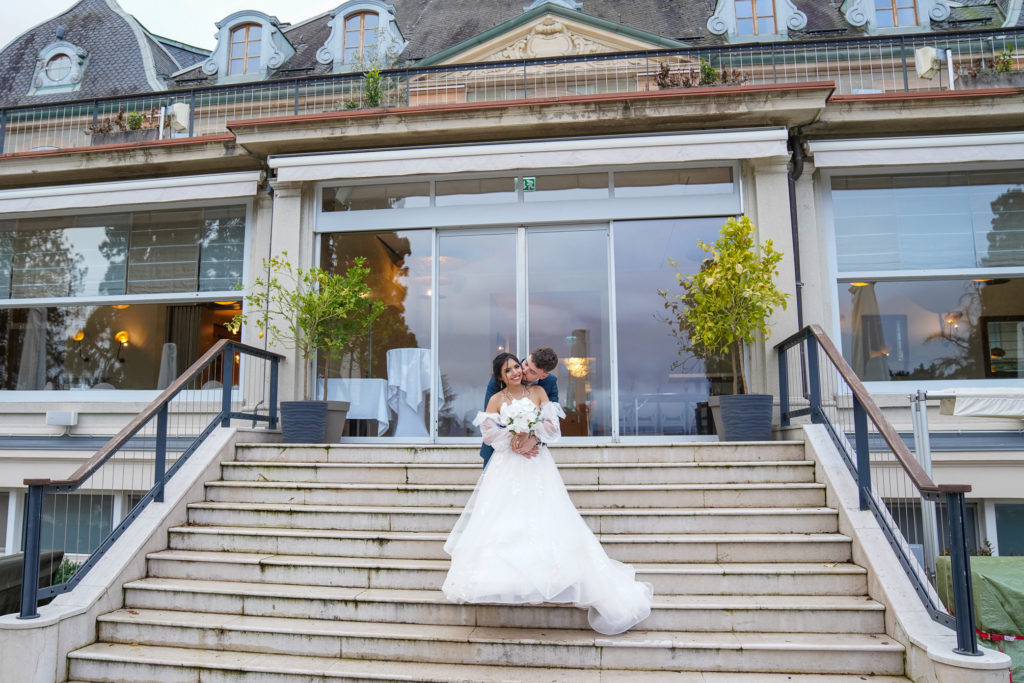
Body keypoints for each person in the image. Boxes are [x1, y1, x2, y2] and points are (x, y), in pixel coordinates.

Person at [442, 352, 653, 635]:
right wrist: (514, 441)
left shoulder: (540, 390)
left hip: (536, 461)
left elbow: (553, 427)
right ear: (500, 376)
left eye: (518, 366)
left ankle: (552, 579)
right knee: (505, 518)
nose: (516, 372)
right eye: (509, 370)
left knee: (546, 514)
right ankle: (509, 582)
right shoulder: (496, 399)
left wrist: (531, 437)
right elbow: (489, 433)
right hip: (507, 465)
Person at [479, 346, 558, 467]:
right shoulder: (501, 376)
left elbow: (551, 422)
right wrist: (515, 441)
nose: (523, 370)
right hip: (499, 451)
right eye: (525, 363)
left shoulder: (547, 385)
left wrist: (533, 439)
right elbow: (490, 422)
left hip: (533, 451)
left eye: (532, 371)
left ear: (543, 376)